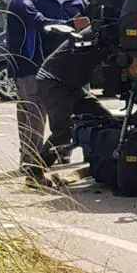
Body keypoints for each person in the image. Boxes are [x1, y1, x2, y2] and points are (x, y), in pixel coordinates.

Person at [6, 0, 70, 188]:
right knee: (35, 116)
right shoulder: (23, 4)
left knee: (25, 115)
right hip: (29, 68)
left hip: (20, 69)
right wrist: (70, 25)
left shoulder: (17, 2)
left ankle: (27, 160)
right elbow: (42, 22)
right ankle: (35, 168)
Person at [35, 26, 120, 170]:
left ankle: (100, 163)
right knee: (62, 131)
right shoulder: (102, 33)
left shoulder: (106, 31)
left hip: (71, 84)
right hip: (53, 81)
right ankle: (35, 173)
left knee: (104, 118)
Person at [33, 0, 90, 163]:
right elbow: (39, 28)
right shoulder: (39, 2)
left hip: (78, 62)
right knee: (59, 116)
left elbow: (89, 21)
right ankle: (48, 159)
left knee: (85, 111)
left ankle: (87, 152)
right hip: (54, 65)